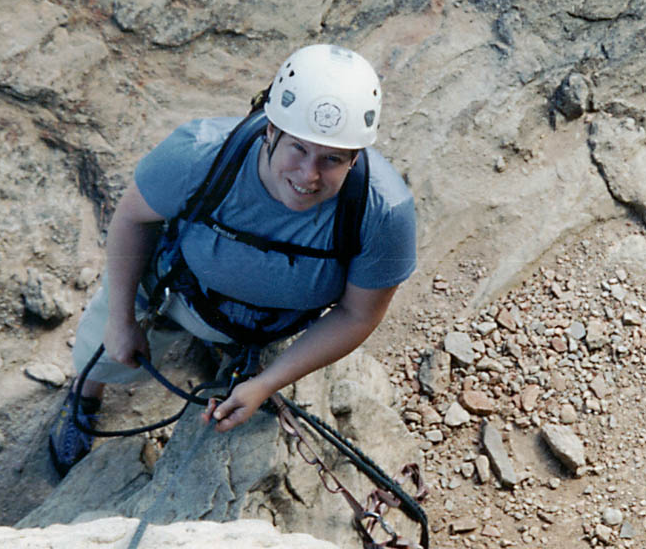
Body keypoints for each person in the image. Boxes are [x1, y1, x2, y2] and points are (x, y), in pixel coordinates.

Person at [48, 44, 416, 477]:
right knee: (106, 350)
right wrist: (121, 320)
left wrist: (265, 384)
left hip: (274, 324)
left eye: (332, 159)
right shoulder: (200, 155)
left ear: (356, 157)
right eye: (298, 148)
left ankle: (231, 349)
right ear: (270, 130)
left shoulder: (383, 213)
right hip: (178, 291)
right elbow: (132, 219)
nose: (308, 175)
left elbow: (357, 315)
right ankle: (85, 394)